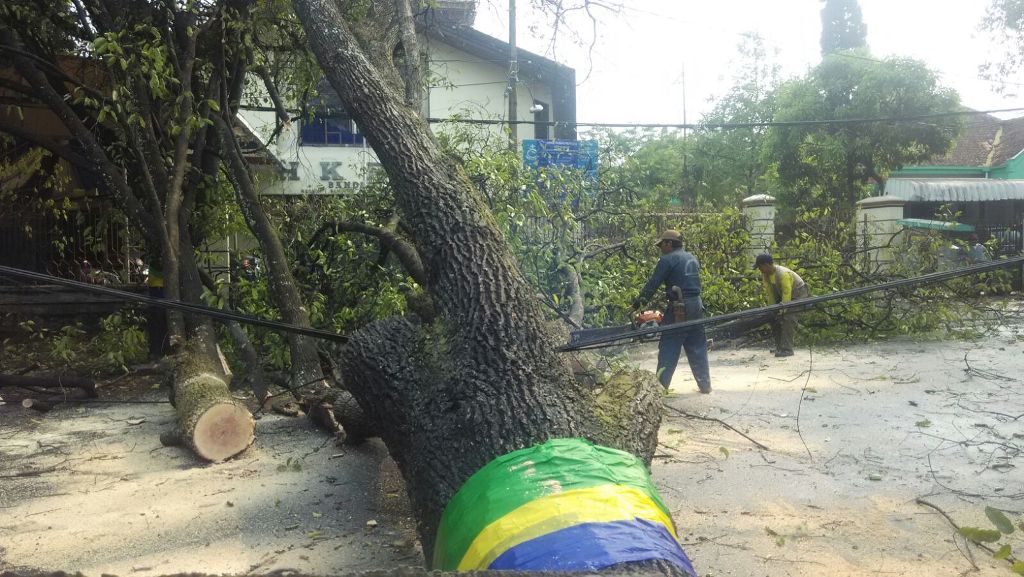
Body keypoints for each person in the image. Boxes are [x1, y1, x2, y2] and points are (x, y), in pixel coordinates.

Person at [632, 230, 711, 393]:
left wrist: (637, 304)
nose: (661, 248)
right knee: (697, 346)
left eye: (662, 245)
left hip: (679, 308)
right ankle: (705, 386)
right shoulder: (691, 257)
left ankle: (660, 389)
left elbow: (653, 284)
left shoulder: (667, 260)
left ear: (669, 243)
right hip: (697, 306)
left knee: (669, 347)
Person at [755, 253, 808, 358]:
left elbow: (786, 294)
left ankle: (787, 349)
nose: (760, 270)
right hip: (783, 295)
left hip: (798, 294)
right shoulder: (766, 276)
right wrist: (772, 310)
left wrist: (783, 311)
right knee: (774, 318)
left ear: (766, 265)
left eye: (760, 267)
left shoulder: (783, 274)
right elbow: (771, 294)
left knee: (788, 318)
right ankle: (780, 346)